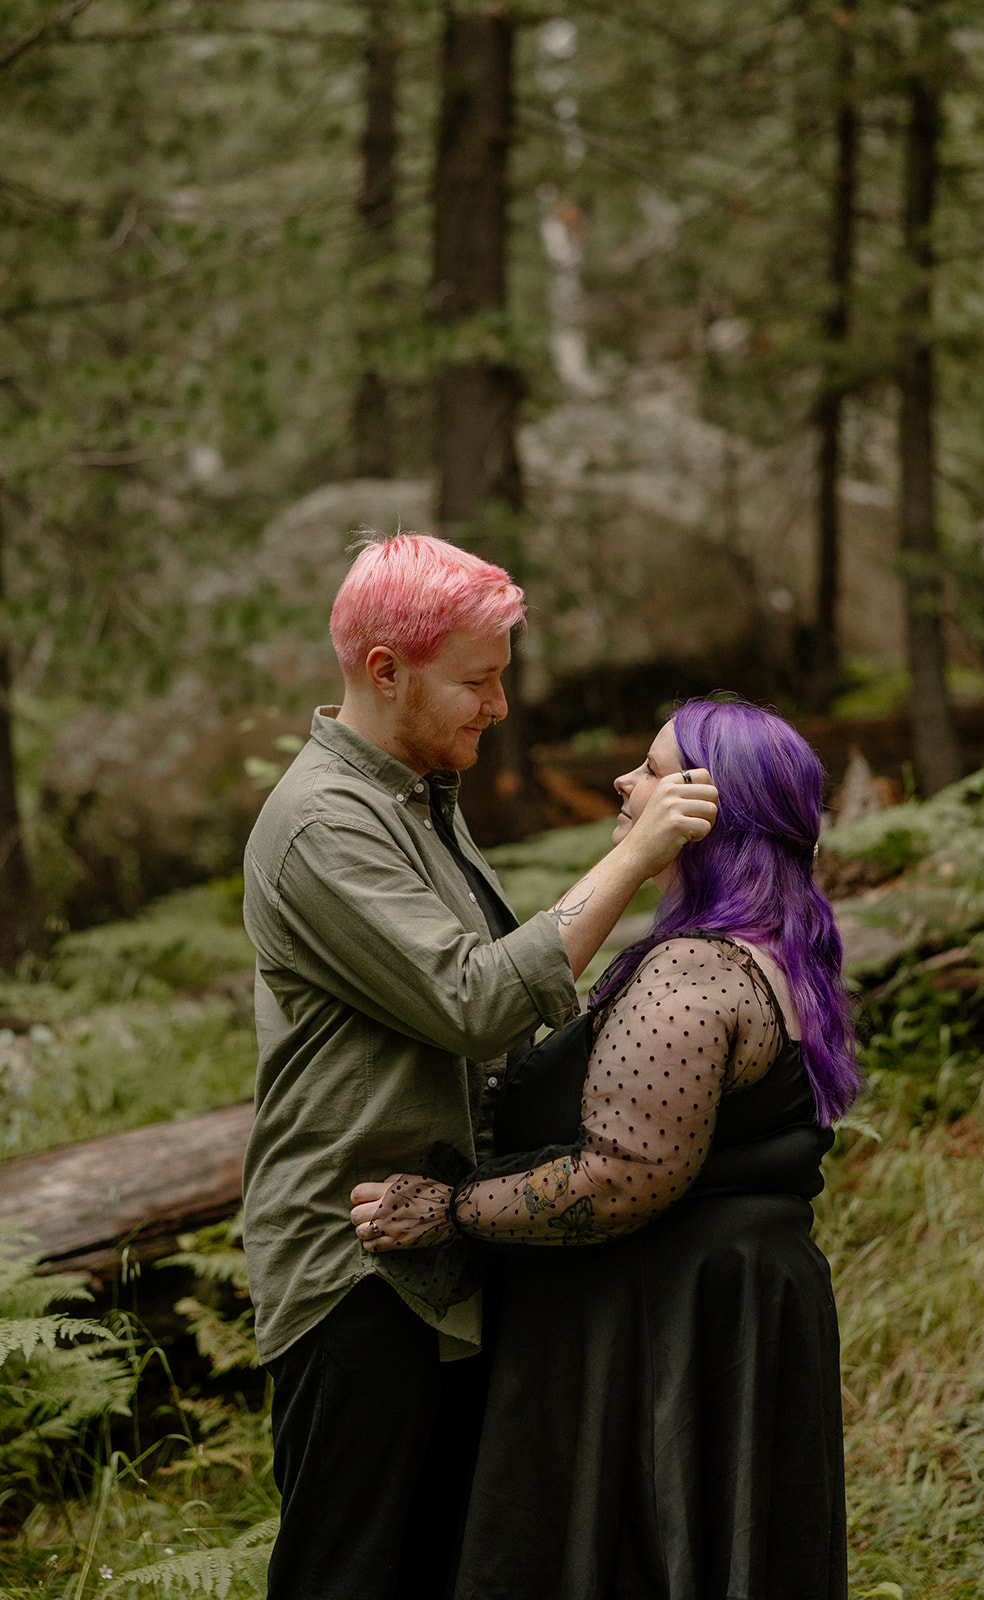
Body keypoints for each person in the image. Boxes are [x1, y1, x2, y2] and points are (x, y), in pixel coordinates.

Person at [240, 531, 718, 1600]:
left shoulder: (419, 801)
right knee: (350, 1573)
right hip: (356, 1269)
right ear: (383, 671)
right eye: (477, 681)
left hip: (443, 1251)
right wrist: (636, 857)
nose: (497, 707)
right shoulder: (324, 823)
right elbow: (474, 1000)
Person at [351, 695, 861, 1600]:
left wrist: (452, 1208)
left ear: (707, 813)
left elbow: (621, 1179)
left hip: (663, 1331)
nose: (625, 782)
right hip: (729, 1313)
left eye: (653, 770)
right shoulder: (782, 954)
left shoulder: (695, 969)